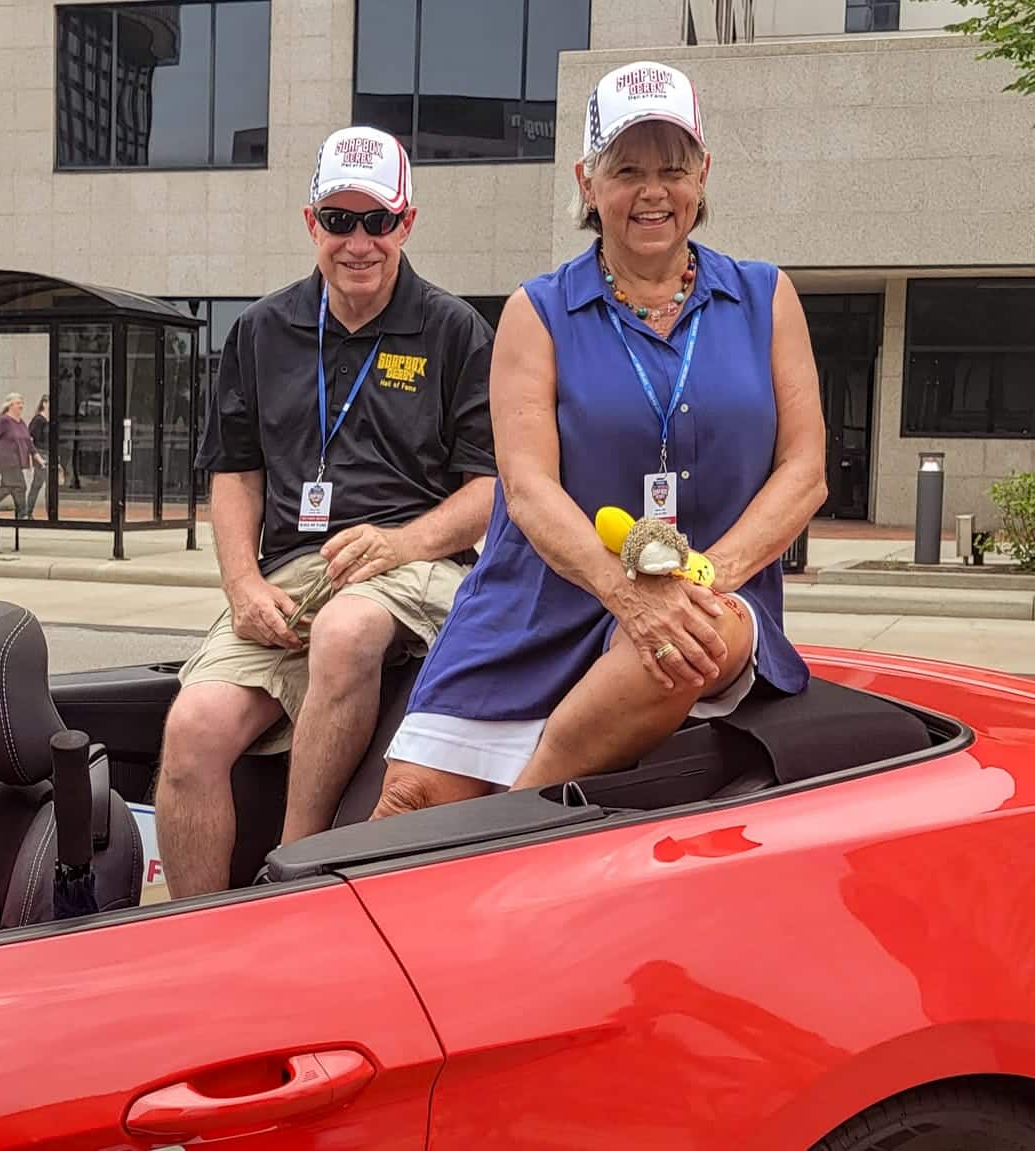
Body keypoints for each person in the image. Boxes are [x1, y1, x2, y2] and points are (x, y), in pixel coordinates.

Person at [376, 61, 825, 814]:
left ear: (703, 175)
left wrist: (704, 578)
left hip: (711, 596)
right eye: (627, 171)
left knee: (681, 645)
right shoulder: (538, 311)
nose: (653, 192)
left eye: (673, 169)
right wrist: (626, 592)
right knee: (410, 801)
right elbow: (527, 488)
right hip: (540, 601)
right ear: (587, 183)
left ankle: (514, 820)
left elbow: (805, 470)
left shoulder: (766, 297)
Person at [156, 126, 498, 897]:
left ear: (407, 223)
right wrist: (242, 584)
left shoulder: (454, 330)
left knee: (345, 630)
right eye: (340, 220)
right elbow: (235, 471)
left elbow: (488, 489)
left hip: (415, 564)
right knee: (192, 727)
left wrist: (403, 543)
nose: (359, 242)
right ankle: (199, 931)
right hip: (292, 570)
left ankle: (293, 876)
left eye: (378, 220)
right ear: (312, 222)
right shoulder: (260, 330)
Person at [24, 395, 53, 515]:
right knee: (49, 484)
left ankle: (27, 511)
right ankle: (51, 513)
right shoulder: (38, 420)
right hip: (41, 454)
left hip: (47, 453)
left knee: (37, 484)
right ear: (44, 403)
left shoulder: (48, 420)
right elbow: (29, 437)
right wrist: (34, 455)